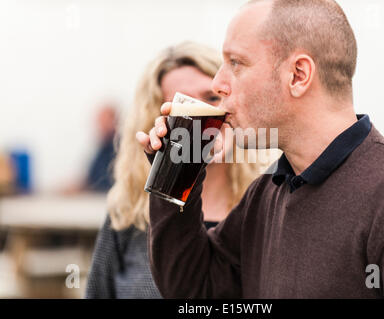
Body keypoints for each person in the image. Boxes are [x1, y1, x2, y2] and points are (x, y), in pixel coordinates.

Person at [137, 0, 384, 298]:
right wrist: (177, 170)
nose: (219, 83)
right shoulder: (267, 192)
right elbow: (195, 290)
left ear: (298, 75)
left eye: (236, 62)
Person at [85, 42, 261, 298]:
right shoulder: (127, 213)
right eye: (184, 105)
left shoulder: (263, 208)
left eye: (212, 98)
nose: (201, 115)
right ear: (158, 120)